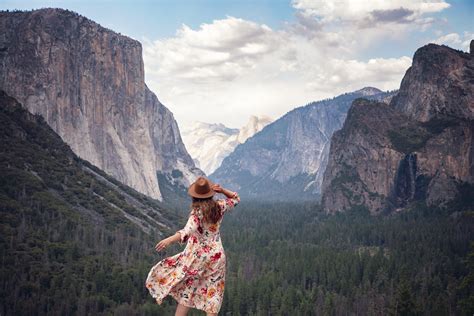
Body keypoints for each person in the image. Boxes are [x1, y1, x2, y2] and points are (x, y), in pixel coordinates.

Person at [145, 176, 240, 316]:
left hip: (198, 257)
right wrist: (222, 190)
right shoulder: (220, 206)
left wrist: (169, 240)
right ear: (210, 193)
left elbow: (187, 231)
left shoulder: (197, 213)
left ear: (195, 197)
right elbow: (236, 198)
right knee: (214, 292)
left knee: (188, 290)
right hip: (217, 256)